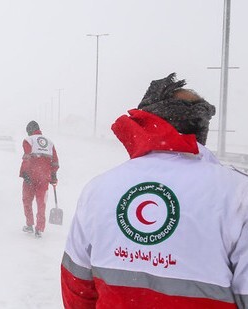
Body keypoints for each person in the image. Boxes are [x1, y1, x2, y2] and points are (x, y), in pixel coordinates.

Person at [61, 73, 248, 308]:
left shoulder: (98, 190)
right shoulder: (238, 194)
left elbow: (76, 285)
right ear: (201, 128)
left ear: (146, 122)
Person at [19, 120, 59, 238]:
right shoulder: (50, 143)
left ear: (30, 131)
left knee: (27, 201)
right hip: (44, 178)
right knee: (41, 203)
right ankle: (39, 229)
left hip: (30, 177)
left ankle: (29, 225)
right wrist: (53, 175)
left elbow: (27, 158)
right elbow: (55, 161)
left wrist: (24, 173)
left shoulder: (28, 140)